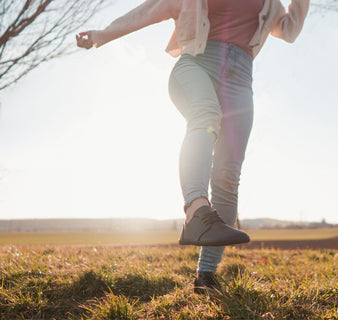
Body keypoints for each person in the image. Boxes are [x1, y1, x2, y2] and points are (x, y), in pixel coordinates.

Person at [76, 0, 309, 293]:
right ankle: (196, 209)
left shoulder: (269, 3)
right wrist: (101, 35)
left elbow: (288, 30)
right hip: (196, 64)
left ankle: (206, 276)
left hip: (240, 80)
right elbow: (149, 11)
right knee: (205, 116)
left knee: (228, 172)